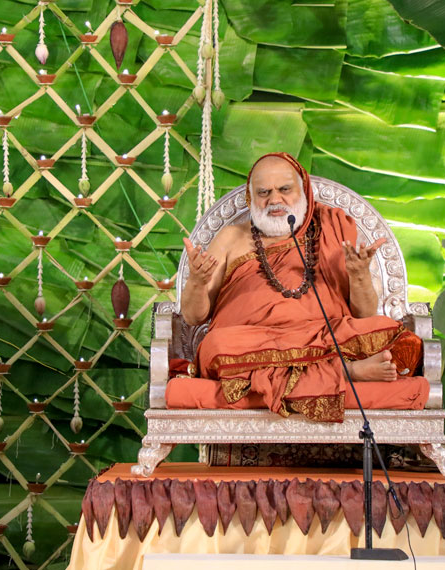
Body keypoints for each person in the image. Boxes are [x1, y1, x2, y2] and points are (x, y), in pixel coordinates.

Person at [165, 152, 429, 422]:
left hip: (322, 338)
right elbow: (193, 317)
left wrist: (359, 274)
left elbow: (364, 316)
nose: (274, 200)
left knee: (398, 337)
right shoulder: (231, 237)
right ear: (251, 198)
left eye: (284, 189)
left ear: (303, 191)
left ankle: (307, 377)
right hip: (251, 344)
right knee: (216, 346)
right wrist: (197, 281)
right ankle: (345, 371)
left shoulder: (330, 230)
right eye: (264, 192)